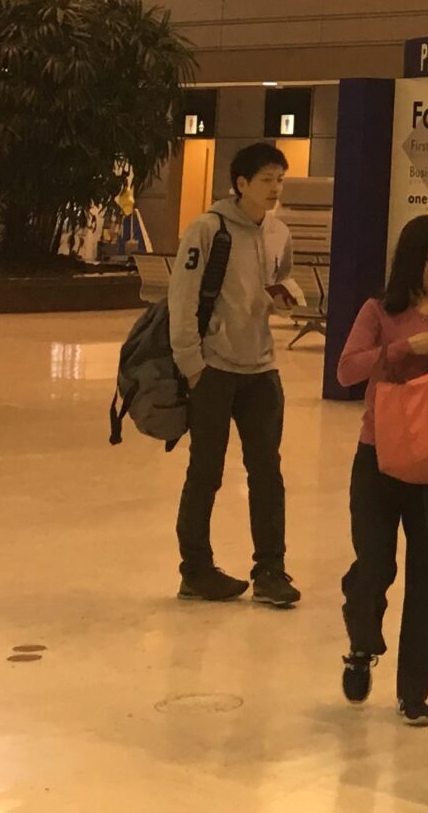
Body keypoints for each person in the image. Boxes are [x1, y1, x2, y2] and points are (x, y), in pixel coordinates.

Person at [336, 212, 428, 722]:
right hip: (378, 457)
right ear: (409, 259)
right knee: (375, 566)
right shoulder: (379, 311)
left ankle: (414, 693)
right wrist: (402, 348)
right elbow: (347, 368)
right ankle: (361, 644)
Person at [169, 141, 301, 608]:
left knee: (267, 472)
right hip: (214, 369)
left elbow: (280, 277)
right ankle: (196, 570)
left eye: (280, 181)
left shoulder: (279, 232)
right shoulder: (207, 230)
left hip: (262, 369)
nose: (275, 189)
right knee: (205, 471)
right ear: (241, 183)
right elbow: (181, 300)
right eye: (267, 180)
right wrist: (192, 367)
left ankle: (271, 570)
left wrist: (286, 294)